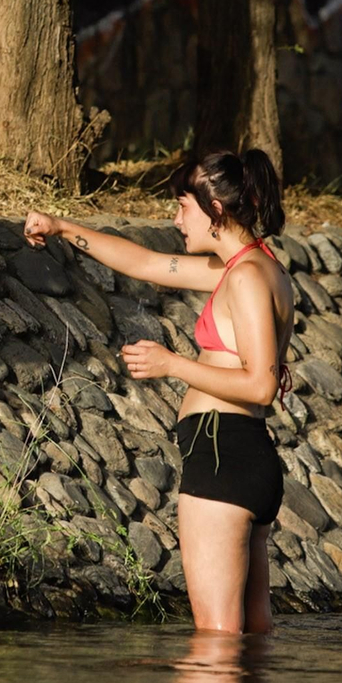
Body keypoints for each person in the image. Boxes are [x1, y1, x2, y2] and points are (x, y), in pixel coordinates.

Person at [22, 150, 293, 633]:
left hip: (222, 457)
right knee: (251, 640)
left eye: (183, 206)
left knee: (215, 641)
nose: (176, 220)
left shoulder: (247, 277)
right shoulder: (247, 268)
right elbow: (146, 263)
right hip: (241, 455)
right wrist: (62, 227)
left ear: (215, 210)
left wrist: (173, 365)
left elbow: (261, 384)